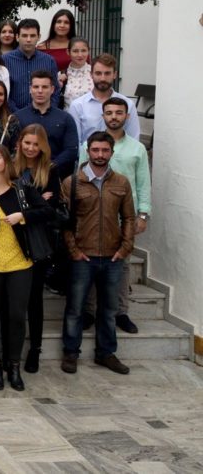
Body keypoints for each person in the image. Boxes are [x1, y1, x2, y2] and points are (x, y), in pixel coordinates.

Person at [0, 143, 53, 391]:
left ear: (6, 161)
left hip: (20, 263)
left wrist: (21, 217)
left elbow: (47, 211)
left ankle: (13, 366)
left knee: (16, 315)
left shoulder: (21, 190)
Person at [60, 132, 136, 376]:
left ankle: (106, 353)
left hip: (113, 256)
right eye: (96, 150)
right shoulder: (72, 182)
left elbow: (129, 217)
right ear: (88, 151)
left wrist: (125, 248)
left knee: (108, 308)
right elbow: (64, 221)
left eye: (105, 150)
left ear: (112, 153)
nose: (100, 155)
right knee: (75, 308)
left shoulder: (121, 183)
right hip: (83, 256)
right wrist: (73, 250)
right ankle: (71, 352)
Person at [80, 98, 152, 336]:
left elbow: (143, 183)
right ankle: (89, 311)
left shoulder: (137, 149)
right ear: (103, 116)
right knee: (90, 262)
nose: (114, 116)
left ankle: (121, 311)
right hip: (92, 215)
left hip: (125, 217)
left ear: (127, 116)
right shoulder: (88, 146)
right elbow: (78, 180)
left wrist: (143, 214)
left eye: (118, 113)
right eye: (109, 112)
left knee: (121, 266)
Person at [13, 123, 60, 372]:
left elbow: (51, 211)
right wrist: (37, 204)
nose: (31, 148)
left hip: (38, 243)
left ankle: (35, 349)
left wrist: (29, 211)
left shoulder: (50, 171)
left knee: (34, 300)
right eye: (27, 143)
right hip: (12, 241)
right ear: (19, 143)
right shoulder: (11, 167)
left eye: (35, 144)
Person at [14, 69, 78, 178]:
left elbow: (71, 150)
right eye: (36, 87)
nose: (40, 91)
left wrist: (49, 167)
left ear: (52, 89)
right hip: (23, 179)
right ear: (30, 89)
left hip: (56, 176)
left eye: (44, 87)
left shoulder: (65, 118)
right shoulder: (17, 117)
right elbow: (12, 149)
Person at [67, 53, 141, 143]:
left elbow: (134, 139)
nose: (103, 78)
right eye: (98, 73)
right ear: (91, 75)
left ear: (114, 74)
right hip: (87, 156)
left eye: (107, 73)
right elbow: (75, 142)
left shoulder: (128, 104)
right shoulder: (78, 105)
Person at [3, 19, 61, 112]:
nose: (28, 40)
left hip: (44, 117)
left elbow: (55, 90)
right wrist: (19, 114)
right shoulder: (5, 60)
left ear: (39, 37)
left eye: (32, 36)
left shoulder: (49, 61)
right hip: (13, 116)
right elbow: (3, 92)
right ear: (17, 37)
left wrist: (48, 111)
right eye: (24, 36)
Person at [37, 9, 76, 74]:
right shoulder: (42, 47)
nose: (62, 25)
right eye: (59, 22)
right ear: (53, 25)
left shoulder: (78, 46)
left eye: (66, 22)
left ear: (71, 26)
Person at [61, 37, 93, 108]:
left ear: (88, 51)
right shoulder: (60, 75)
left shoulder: (95, 73)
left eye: (83, 50)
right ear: (68, 52)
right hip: (68, 117)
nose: (80, 55)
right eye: (75, 51)